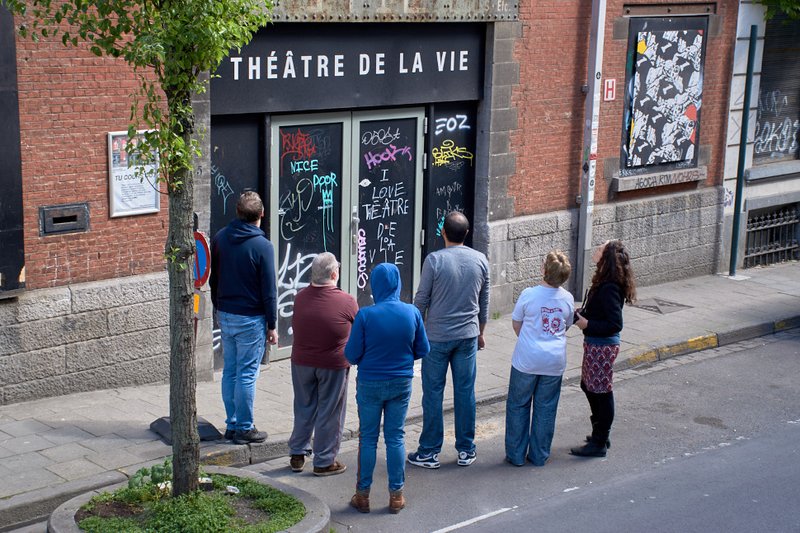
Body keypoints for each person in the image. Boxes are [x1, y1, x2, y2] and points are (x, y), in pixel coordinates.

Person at [345, 263, 429, 514]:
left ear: (375, 286)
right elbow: (422, 349)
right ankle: (396, 496)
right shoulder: (412, 312)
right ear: (398, 284)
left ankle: (362, 495)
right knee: (396, 437)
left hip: (370, 383)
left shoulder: (365, 316)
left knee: (368, 439)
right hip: (401, 383)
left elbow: (351, 355)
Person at [408, 211, 489, 469]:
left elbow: (421, 301)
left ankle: (430, 451)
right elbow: (483, 302)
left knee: (433, 393)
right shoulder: (480, 260)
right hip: (467, 336)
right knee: (465, 392)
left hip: (438, 338)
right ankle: (466, 449)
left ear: (443, 232)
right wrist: (481, 332)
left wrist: (413, 334)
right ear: (466, 234)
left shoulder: (434, 261)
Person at [210, 191, 278, 445]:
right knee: (247, 374)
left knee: (230, 371)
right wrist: (272, 325)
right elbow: (269, 291)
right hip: (251, 318)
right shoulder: (262, 246)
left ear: (237, 212)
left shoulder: (220, 238)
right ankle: (245, 428)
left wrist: (219, 307)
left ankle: (232, 424)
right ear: (262, 214)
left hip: (226, 314)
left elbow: (213, 277)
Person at [287, 253, 358, 476]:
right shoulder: (347, 301)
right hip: (332, 364)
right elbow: (359, 328)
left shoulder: (299, 297)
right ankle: (324, 460)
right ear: (334, 274)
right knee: (330, 411)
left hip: (301, 362)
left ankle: (297, 453)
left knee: (303, 406)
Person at [505, 251, 574, 467]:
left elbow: (517, 323)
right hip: (554, 361)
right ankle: (539, 454)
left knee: (518, 405)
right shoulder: (567, 299)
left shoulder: (529, 294)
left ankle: (515, 455)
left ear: (544, 270)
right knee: (546, 407)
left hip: (527, 359)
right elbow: (567, 324)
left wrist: (530, 338)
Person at [570, 240, 636, 458]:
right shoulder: (605, 280)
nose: (596, 250)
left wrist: (588, 324)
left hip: (603, 346)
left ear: (606, 257)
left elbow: (615, 323)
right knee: (588, 386)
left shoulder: (609, 286)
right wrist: (585, 312)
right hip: (595, 344)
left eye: (600, 249)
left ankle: (600, 440)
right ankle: (599, 433)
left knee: (601, 391)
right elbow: (601, 312)